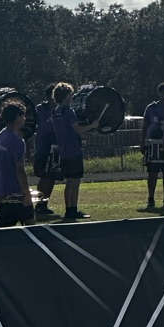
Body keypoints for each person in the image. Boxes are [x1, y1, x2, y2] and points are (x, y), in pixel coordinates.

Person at [51, 82, 100, 222]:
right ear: (64, 96)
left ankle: (69, 209)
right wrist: (92, 125)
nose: (71, 97)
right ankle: (73, 209)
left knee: (69, 181)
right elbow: (78, 130)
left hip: (63, 150)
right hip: (73, 150)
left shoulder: (55, 112)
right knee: (75, 181)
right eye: (69, 95)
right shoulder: (68, 111)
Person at [0, 101, 34, 227]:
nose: (25, 119)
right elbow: (20, 169)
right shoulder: (17, 141)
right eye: (23, 115)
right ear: (17, 117)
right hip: (16, 194)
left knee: (3, 232)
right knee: (32, 229)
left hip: (3, 192)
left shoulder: (0, 136)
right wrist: (26, 192)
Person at [141, 83, 164, 209]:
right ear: (159, 93)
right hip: (153, 143)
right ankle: (151, 198)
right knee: (152, 172)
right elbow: (145, 126)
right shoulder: (151, 108)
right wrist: (142, 143)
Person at [33, 83, 58, 217]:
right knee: (44, 177)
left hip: (55, 147)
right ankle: (39, 204)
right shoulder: (40, 109)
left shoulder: (60, 109)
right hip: (43, 147)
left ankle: (44, 204)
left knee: (51, 177)